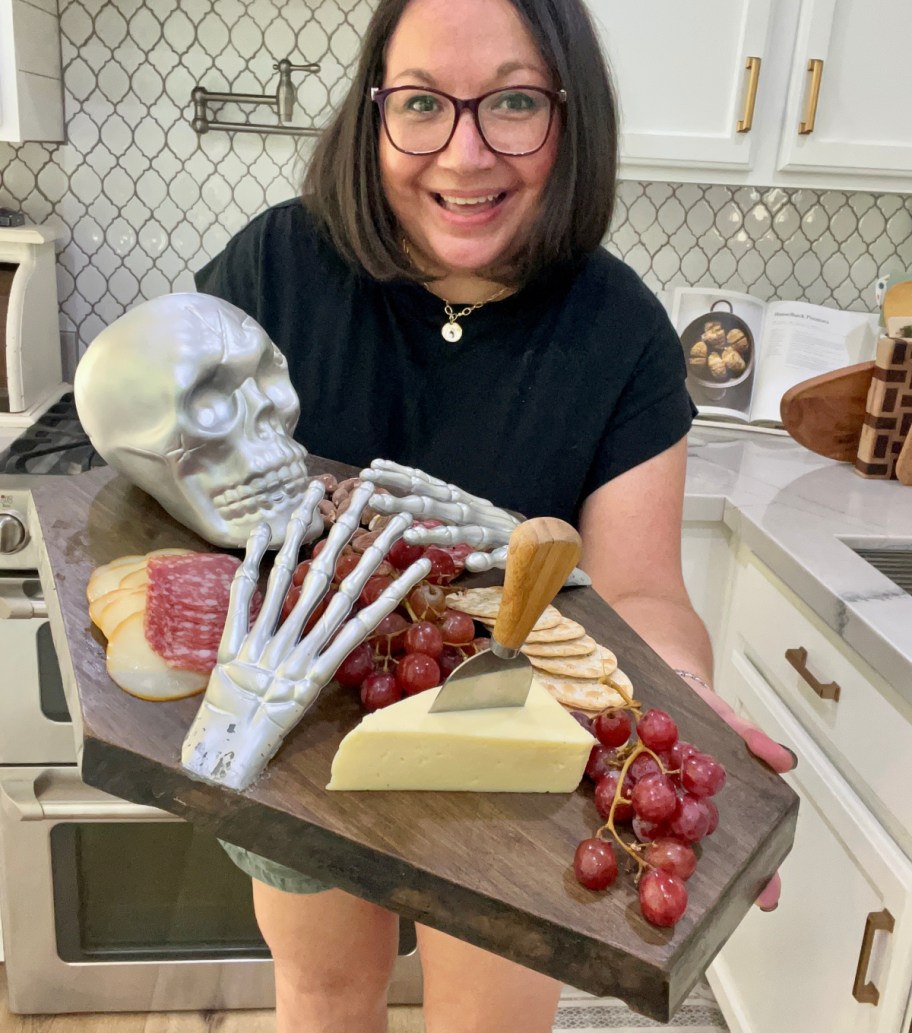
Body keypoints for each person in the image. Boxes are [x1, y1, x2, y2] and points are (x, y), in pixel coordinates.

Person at [194, 0, 795, 1029]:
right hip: (302, 724)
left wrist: (682, 697)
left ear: (571, 115)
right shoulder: (274, 271)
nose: (465, 155)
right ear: (373, 110)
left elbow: (641, 586)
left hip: (515, 741)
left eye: (513, 101)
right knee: (326, 993)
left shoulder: (624, 334)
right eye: (422, 103)